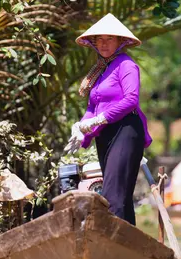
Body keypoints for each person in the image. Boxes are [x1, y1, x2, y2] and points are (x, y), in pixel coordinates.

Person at [64, 14, 152, 226]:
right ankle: (130, 248)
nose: (103, 44)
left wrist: (99, 120)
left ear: (120, 41)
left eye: (109, 39)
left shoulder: (126, 65)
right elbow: (92, 107)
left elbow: (131, 100)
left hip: (126, 131)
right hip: (106, 135)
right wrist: (80, 129)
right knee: (117, 196)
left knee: (114, 196)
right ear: (93, 43)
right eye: (99, 39)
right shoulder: (100, 71)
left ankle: (115, 246)